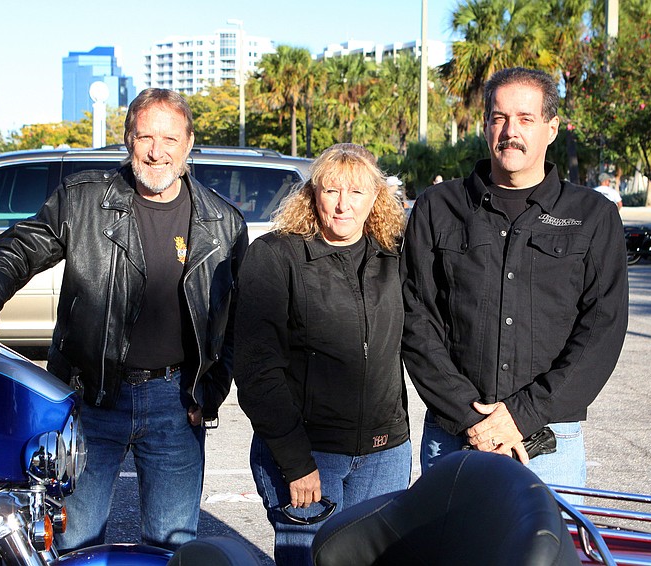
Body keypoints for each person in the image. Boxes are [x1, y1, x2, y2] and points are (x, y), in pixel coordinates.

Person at [0, 88, 248, 551]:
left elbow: (231, 322)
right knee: (74, 545)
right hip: (92, 398)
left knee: (172, 548)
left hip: (176, 402)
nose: (156, 150)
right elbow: (20, 246)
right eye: (144, 136)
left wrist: (210, 392)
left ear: (189, 144)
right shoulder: (82, 199)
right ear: (128, 140)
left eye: (169, 138)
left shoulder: (224, 223)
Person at [401, 67, 628, 489]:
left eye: (526, 118)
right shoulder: (437, 208)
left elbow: (602, 329)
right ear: (486, 125)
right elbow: (416, 319)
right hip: (454, 439)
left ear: (552, 127)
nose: (511, 131)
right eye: (499, 117)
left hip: (548, 445)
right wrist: (473, 419)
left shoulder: (593, 216)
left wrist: (521, 415)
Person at [234, 143, 411, 565]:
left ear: (376, 198)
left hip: (385, 454)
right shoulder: (277, 255)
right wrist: (295, 463)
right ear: (313, 194)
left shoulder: (393, 255)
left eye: (356, 193)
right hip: (311, 455)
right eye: (331, 191)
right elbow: (258, 371)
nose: (342, 205)